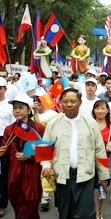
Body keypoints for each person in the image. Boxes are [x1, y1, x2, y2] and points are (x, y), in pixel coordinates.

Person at [40, 88, 110, 219]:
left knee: (85, 213)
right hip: (62, 176)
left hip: (86, 176)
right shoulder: (52, 124)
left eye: (73, 101)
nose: (69, 104)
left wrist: (103, 176)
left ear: (80, 102)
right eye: (65, 101)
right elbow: (44, 149)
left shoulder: (91, 123)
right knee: (65, 212)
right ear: (60, 103)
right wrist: (46, 166)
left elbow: (100, 150)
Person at [0, 94, 45, 218]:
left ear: (29, 110)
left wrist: (29, 156)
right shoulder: (9, 129)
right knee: (18, 210)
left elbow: (46, 152)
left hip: (32, 175)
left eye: (21, 107)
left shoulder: (39, 128)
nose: (17, 111)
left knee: (31, 210)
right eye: (15, 108)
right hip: (14, 175)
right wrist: (2, 151)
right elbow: (6, 151)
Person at [92, 100, 111, 219]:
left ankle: (98, 210)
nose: (100, 111)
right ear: (93, 110)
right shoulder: (89, 123)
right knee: (88, 187)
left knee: (102, 186)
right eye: (97, 108)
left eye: (103, 108)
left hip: (105, 160)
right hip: (90, 160)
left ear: (107, 110)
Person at [0, 77, 15, 217]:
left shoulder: (10, 107)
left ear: (4, 89)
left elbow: (14, 128)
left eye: (0, 88)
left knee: (3, 174)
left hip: (5, 140)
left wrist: (6, 144)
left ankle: (2, 204)